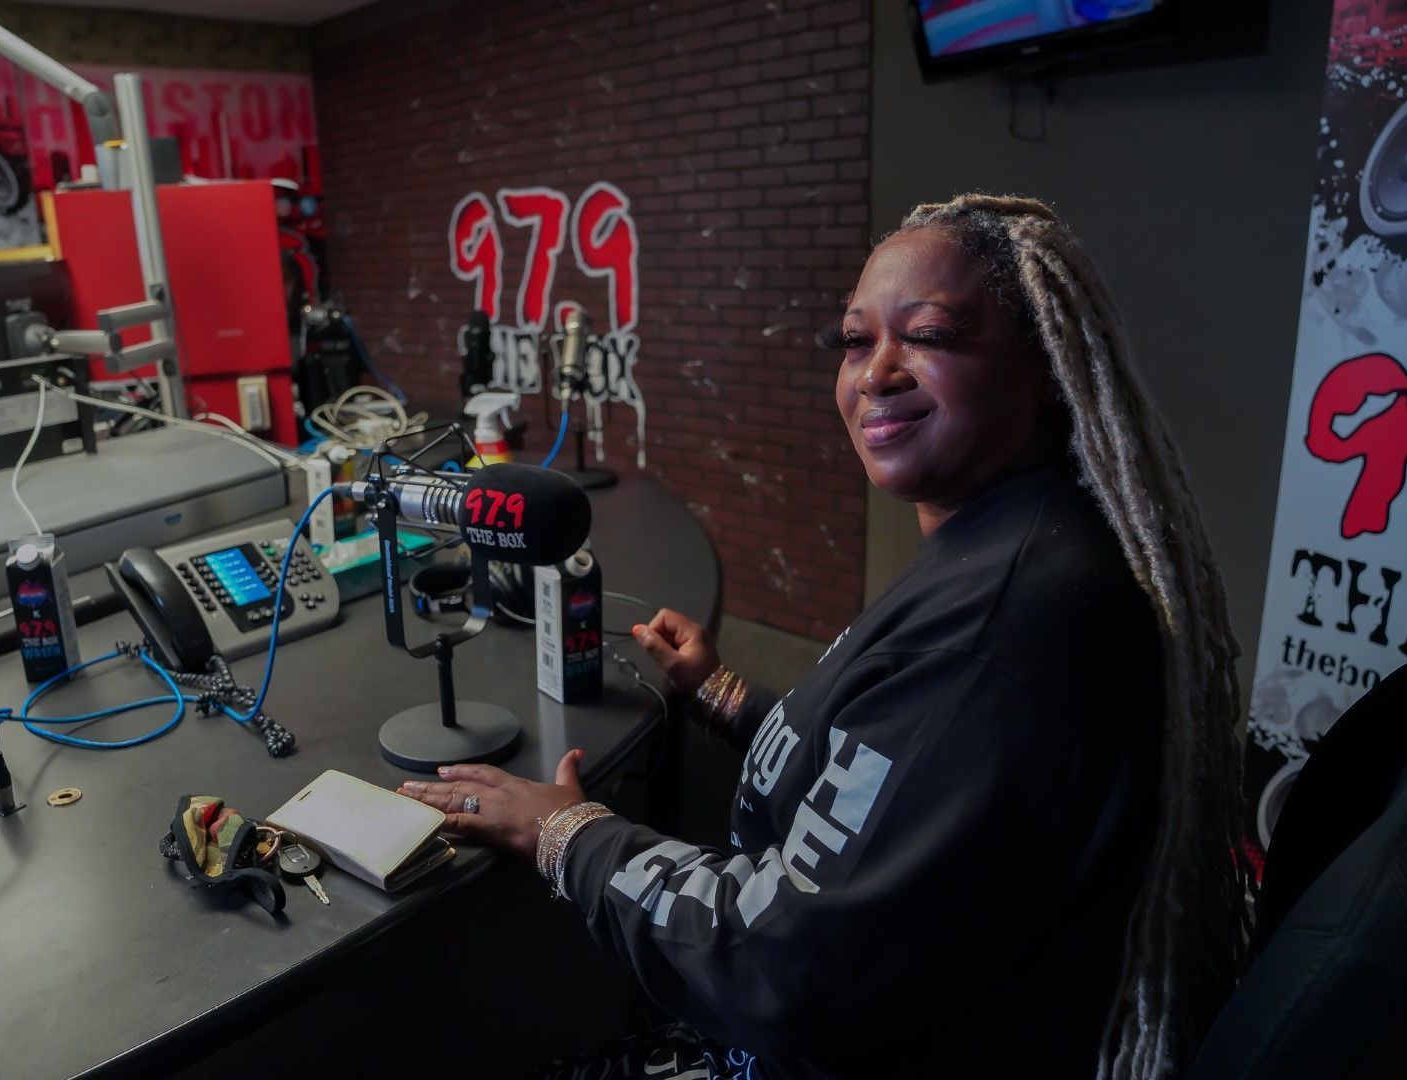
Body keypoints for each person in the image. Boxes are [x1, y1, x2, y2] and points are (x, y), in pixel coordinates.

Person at [398, 194, 1249, 1080]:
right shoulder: (1009, 541)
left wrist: (567, 832)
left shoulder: (998, 626)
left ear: (1045, 366)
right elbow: (887, 767)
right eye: (853, 341)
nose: (875, 371)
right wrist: (724, 694)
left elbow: (776, 966)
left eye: (928, 334)